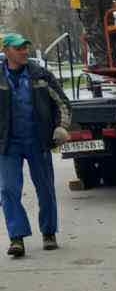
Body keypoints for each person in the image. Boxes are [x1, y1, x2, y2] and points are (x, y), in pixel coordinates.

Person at [1, 33, 71, 258]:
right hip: (8, 143)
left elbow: (62, 102)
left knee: (46, 189)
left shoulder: (39, 74)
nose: (24, 52)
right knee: (8, 190)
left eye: (26, 48)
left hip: (37, 140)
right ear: (7, 51)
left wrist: (61, 127)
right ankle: (17, 238)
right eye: (19, 48)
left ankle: (49, 233)